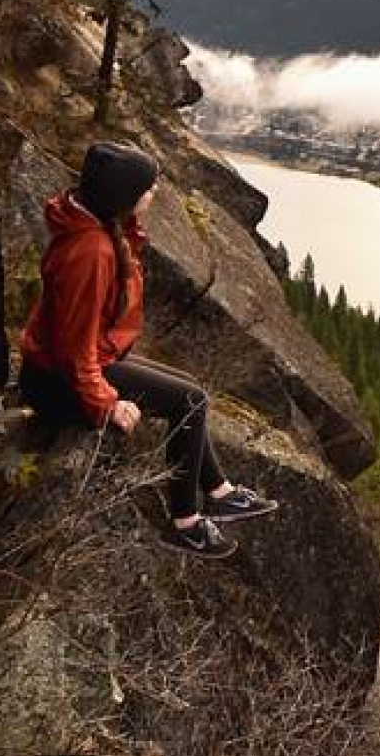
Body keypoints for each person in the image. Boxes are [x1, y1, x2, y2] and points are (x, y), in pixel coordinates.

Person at [18, 140, 278, 557]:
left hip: (70, 364)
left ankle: (219, 491)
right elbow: (72, 344)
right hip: (57, 380)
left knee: (190, 388)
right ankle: (186, 523)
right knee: (189, 400)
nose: (154, 192)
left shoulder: (99, 227)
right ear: (121, 196)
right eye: (147, 187)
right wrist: (105, 402)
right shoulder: (92, 252)